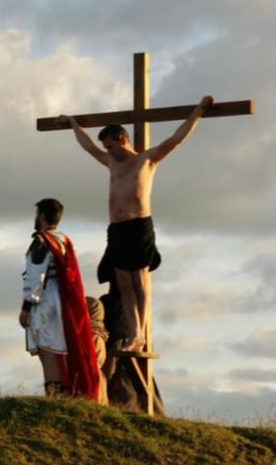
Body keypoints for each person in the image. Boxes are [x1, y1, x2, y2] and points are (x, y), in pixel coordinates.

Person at [57, 95, 214, 352]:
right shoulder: (111, 163)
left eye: (111, 147)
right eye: (106, 149)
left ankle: (142, 331)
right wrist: (74, 123)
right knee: (124, 283)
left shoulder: (146, 160)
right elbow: (88, 146)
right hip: (117, 229)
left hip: (138, 226)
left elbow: (177, 138)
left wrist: (199, 110)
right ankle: (134, 333)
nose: (108, 153)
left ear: (123, 140)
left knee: (140, 281)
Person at [19, 198, 100, 401]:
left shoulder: (41, 241)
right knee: (57, 347)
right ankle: (61, 393)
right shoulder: (64, 240)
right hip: (62, 299)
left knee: (47, 350)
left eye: (37, 214)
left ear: (43, 216)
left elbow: (35, 275)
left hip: (46, 299)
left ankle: (54, 396)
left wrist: (26, 306)